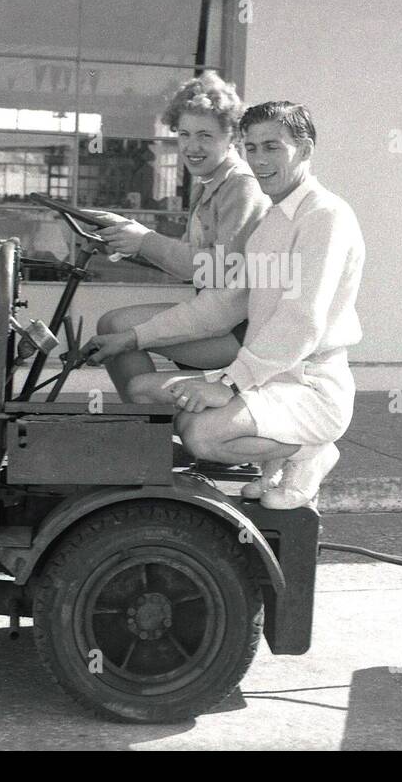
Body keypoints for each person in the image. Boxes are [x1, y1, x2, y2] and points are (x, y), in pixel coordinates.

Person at [84, 102, 365, 510]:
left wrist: (227, 384)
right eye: (251, 148)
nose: (259, 160)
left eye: (272, 147)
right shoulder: (273, 221)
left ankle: (309, 452)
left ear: (304, 150)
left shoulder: (325, 216)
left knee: (201, 434)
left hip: (311, 386)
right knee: (141, 390)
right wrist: (131, 338)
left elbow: (301, 323)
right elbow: (223, 306)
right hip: (272, 377)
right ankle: (271, 456)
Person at [84, 72, 271, 399]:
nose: (191, 147)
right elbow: (189, 261)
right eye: (183, 134)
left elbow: (220, 269)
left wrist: (145, 241)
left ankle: (149, 421)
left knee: (115, 327)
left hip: (242, 329)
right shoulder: (211, 183)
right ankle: (149, 419)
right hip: (217, 314)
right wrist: (126, 241)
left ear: (232, 138)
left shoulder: (242, 186)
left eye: (204, 136)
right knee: (112, 324)